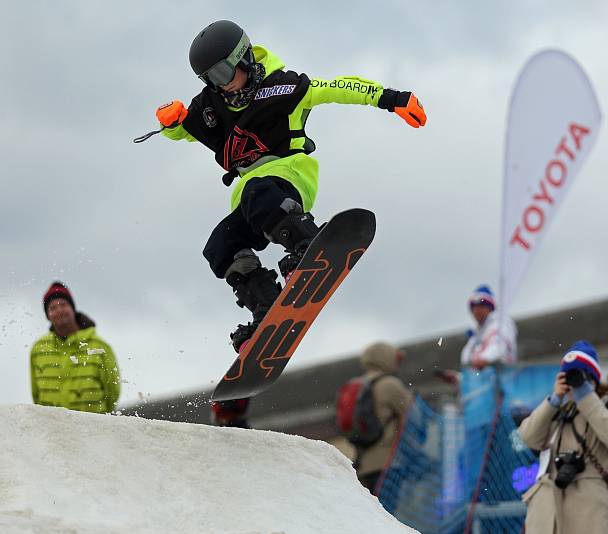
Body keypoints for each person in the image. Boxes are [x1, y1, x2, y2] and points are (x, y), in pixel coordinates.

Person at [153, 20, 427, 354]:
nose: (222, 86)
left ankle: (306, 242)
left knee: (258, 192)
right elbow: (186, 128)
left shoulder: (283, 88)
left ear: (243, 58)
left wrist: (391, 98)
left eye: (224, 74)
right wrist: (172, 122)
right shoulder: (212, 103)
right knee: (220, 245)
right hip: (251, 198)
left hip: (289, 177)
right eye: (210, 79)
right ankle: (265, 306)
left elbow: (339, 88)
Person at [518, 341, 608, 534]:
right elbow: (529, 438)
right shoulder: (556, 411)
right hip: (548, 515)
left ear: (594, 380)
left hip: (591, 514)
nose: (573, 382)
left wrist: (586, 397)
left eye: (579, 376)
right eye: (568, 376)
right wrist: (554, 399)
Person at [30, 281, 121, 413]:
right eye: (52, 307)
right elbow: (36, 393)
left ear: (73, 308)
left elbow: (112, 392)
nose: (59, 310)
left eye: (63, 304)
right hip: (52, 428)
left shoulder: (100, 346)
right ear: (47, 316)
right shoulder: (39, 349)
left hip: (92, 428)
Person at [351, 341, 414, 494]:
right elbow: (413, 415)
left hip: (362, 466)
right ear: (386, 359)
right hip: (388, 464)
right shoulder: (389, 384)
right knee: (389, 515)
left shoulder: (355, 385)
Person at [438, 284, 518, 385]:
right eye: (474, 306)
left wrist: (484, 359)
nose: (477, 310)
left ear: (490, 307)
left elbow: (499, 348)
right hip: (486, 392)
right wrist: (457, 379)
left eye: (481, 305)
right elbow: (476, 375)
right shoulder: (475, 337)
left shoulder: (500, 325)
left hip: (504, 387)